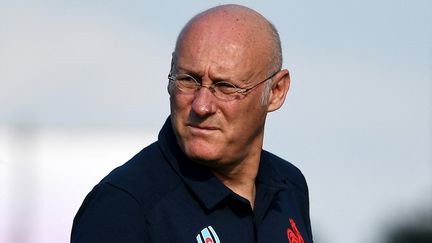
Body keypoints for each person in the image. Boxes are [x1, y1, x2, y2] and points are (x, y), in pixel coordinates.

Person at [71, 4, 313, 243]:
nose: (202, 106)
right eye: (188, 80)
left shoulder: (289, 185)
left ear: (276, 91)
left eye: (225, 87)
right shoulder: (124, 206)